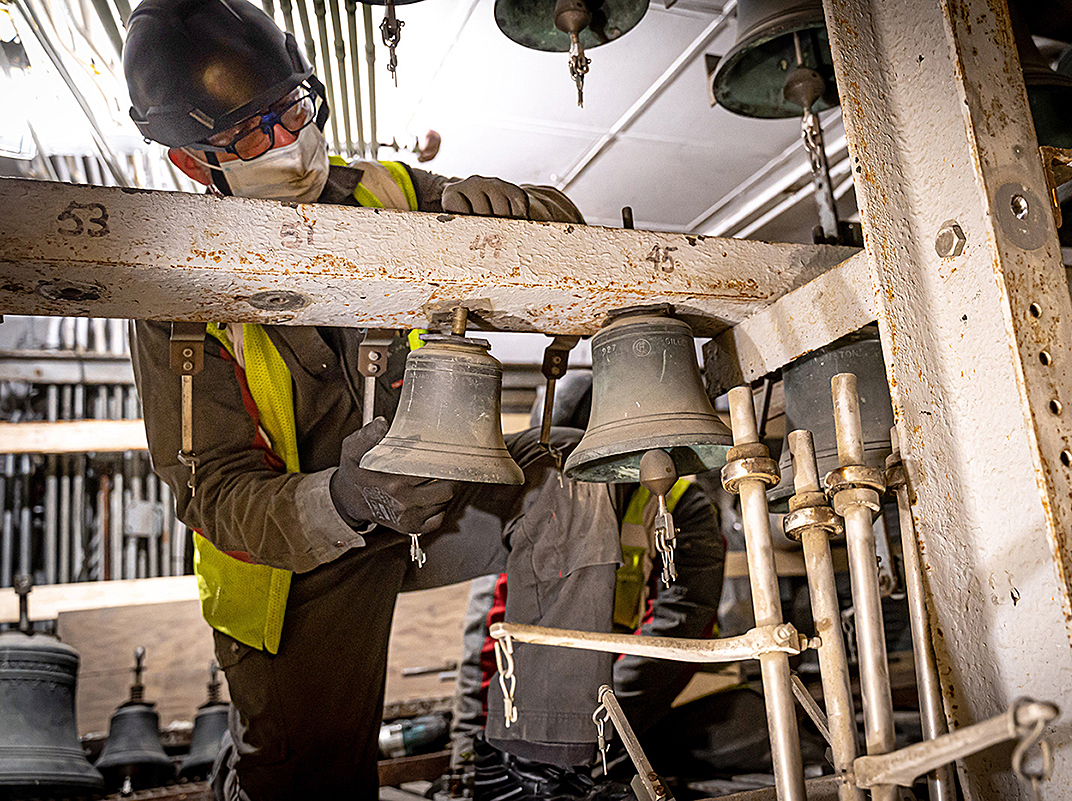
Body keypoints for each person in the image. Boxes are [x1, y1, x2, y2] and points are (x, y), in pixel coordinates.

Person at [121, 1, 617, 798]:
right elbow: (211, 490)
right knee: (311, 784)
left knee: (568, 477)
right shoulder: (175, 288)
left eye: (292, 110)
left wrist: (522, 208)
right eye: (252, 134)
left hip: (430, 511)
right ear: (192, 164)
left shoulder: (386, 190)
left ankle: (542, 770)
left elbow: (568, 230)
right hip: (296, 568)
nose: (289, 142)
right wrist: (345, 499)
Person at [449, 373, 725, 798]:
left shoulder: (678, 505)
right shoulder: (533, 504)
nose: (559, 478)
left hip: (635, 701)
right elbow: (487, 637)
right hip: (539, 712)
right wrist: (468, 748)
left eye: (574, 459)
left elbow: (681, 625)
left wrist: (590, 721)